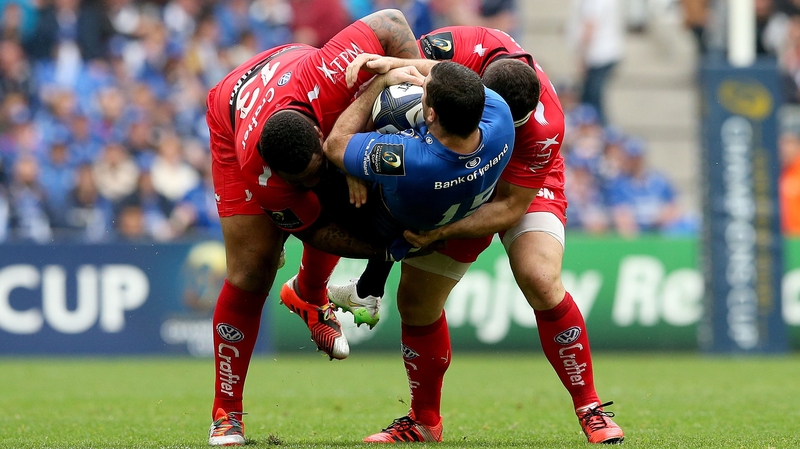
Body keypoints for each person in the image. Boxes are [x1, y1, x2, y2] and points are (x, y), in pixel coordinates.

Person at [337, 26, 625, 444]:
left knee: (540, 278)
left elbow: (510, 207)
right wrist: (396, 68)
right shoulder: (470, 44)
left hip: (517, 187)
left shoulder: (545, 127)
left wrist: (443, 228)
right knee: (416, 302)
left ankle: (590, 408)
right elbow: (433, 74)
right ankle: (423, 422)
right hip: (456, 169)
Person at [203, 9, 421, 446]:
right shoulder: (263, 175)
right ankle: (226, 413)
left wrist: (411, 77)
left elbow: (393, 22)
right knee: (252, 271)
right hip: (232, 112)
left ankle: (308, 295)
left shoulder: (331, 72)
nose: (310, 182)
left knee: (343, 189)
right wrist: (390, 247)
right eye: (298, 182)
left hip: (295, 72)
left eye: (314, 169)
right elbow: (318, 230)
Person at [283, 60, 515, 330]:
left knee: (309, 153)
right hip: (441, 213)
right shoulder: (501, 117)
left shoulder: (410, 159)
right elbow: (455, 78)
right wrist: (396, 63)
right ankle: (368, 290)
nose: (420, 84)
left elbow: (335, 145)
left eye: (423, 88)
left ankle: (284, 245)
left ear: (431, 115)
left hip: (384, 224)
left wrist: (380, 83)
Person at [565, 0, 624, 125]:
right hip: (606, 53)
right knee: (593, 99)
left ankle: (602, 132)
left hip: (598, 56)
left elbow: (590, 26)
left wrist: (582, 57)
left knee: (591, 101)